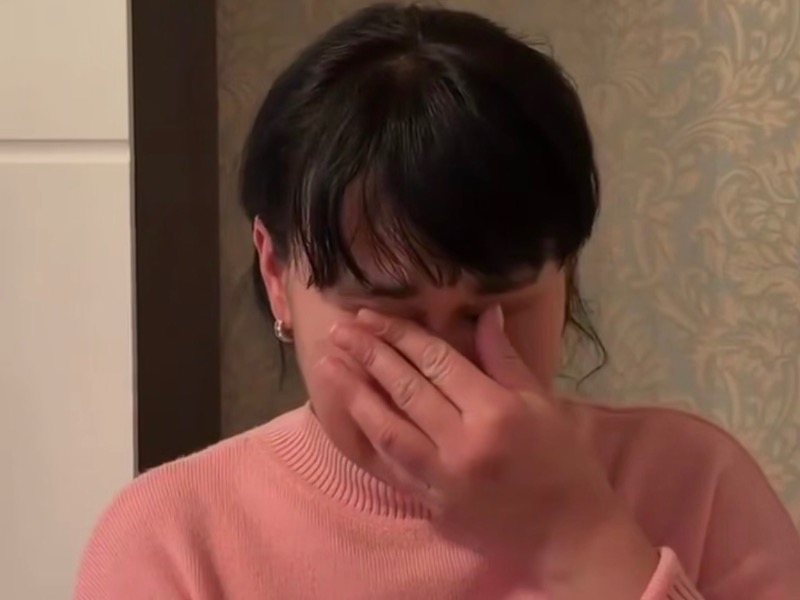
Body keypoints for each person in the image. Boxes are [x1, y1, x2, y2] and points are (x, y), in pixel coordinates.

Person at [74, 3, 800, 599]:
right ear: (277, 275)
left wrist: (577, 538)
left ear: (566, 275)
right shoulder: (173, 538)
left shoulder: (696, 485)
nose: (444, 369)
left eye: (495, 307)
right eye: (388, 314)